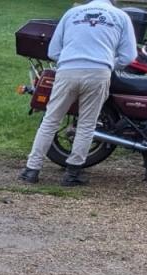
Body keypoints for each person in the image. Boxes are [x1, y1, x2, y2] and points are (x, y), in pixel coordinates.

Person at [21, 0, 137, 186]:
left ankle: (31, 170)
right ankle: (72, 173)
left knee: (50, 120)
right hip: (98, 73)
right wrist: (107, 64)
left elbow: (53, 51)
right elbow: (128, 56)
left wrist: (70, 60)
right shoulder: (121, 17)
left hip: (67, 70)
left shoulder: (72, 13)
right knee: (86, 124)